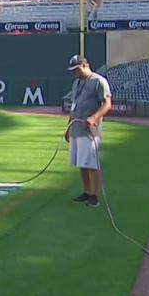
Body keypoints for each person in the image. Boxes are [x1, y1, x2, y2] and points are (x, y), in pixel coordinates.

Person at [66, 55, 112, 208]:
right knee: (81, 162)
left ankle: (94, 195)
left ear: (85, 65)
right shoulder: (76, 83)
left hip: (90, 131)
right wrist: (68, 127)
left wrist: (94, 117)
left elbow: (107, 104)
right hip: (76, 128)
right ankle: (86, 191)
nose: (75, 73)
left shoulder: (99, 81)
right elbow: (74, 106)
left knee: (91, 163)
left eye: (77, 69)